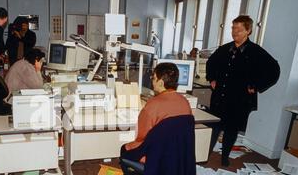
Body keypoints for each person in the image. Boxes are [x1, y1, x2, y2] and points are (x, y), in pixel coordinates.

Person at [206, 15, 280, 166]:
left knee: (231, 129)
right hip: (220, 96)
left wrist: (256, 86)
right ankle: (204, 154)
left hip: (239, 99)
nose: (235, 32)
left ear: (248, 31)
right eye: (233, 28)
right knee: (214, 126)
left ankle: (225, 156)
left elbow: (274, 70)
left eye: (239, 29)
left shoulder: (256, 52)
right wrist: (212, 79)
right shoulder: (224, 49)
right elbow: (211, 63)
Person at [120, 63, 192, 166]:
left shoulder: (153, 104)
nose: (152, 81)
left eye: (154, 78)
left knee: (125, 148)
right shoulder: (185, 102)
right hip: (178, 154)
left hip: (156, 155)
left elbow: (141, 136)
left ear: (161, 83)